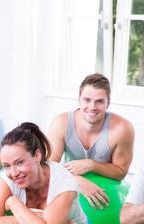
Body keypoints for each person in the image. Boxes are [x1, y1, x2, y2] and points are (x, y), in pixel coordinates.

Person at [0, 123, 91, 224]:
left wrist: (14, 203)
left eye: (19, 163)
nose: (13, 173)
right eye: (6, 166)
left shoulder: (64, 182)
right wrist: (40, 216)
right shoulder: (8, 179)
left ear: (37, 156)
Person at [48, 73, 134, 209]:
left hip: (106, 193)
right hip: (68, 185)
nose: (92, 107)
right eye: (87, 100)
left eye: (99, 101)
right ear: (79, 100)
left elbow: (120, 172)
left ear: (108, 103)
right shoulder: (61, 123)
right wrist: (77, 181)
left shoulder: (122, 128)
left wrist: (91, 165)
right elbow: (48, 167)